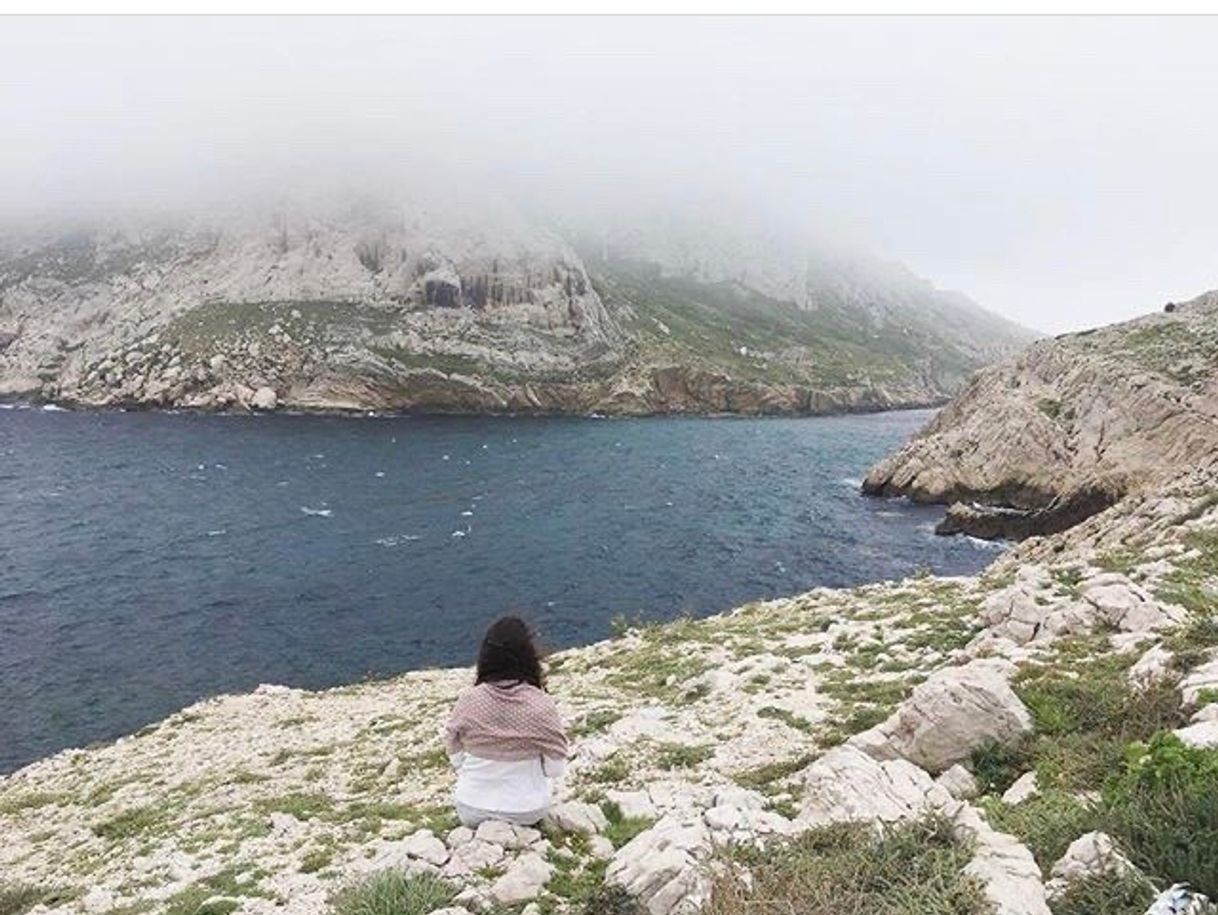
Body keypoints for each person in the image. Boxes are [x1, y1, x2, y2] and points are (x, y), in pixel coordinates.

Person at [444, 615, 568, 827]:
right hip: (526, 810)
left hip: (470, 808)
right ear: (529, 656)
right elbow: (555, 770)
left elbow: (456, 758)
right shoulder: (541, 705)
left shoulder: (469, 700)